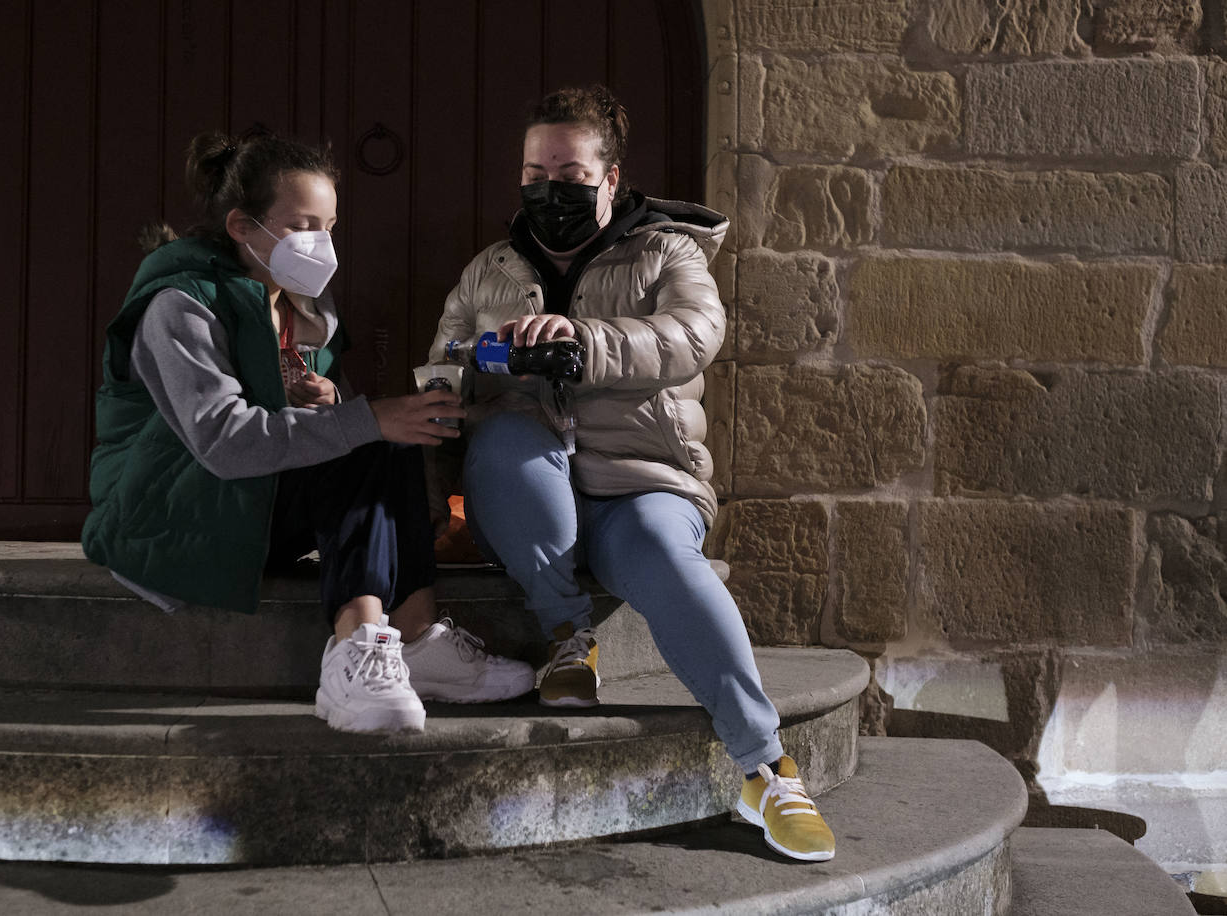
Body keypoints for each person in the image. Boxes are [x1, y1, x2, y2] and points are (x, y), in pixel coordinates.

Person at [427, 87, 836, 862]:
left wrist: (583, 343)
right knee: (510, 446)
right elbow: (438, 367)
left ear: (611, 179)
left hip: (643, 480)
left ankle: (766, 768)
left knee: (664, 556)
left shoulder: (667, 252)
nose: (550, 186)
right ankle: (566, 635)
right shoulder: (489, 273)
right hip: (526, 492)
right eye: (534, 169)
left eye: (571, 171)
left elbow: (694, 334)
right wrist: (491, 358)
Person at [83, 125, 534, 735]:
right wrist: (360, 417)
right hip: (167, 515)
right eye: (301, 227)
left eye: (328, 227)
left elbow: (328, 434)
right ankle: (355, 647)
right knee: (373, 429)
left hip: (246, 508)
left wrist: (336, 403)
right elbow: (225, 442)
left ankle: (418, 638)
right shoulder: (180, 306)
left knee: (388, 435)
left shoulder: (302, 311)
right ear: (243, 226)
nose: (320, 244)